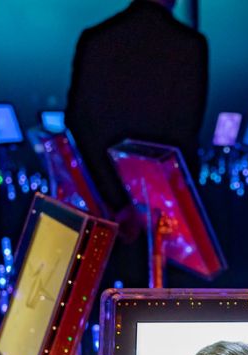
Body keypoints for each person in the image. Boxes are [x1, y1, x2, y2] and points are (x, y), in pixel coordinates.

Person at [65, 0, 209, 216]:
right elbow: (184, 133)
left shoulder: (94, 39)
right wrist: (148, 203)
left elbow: (77, 122)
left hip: (107, 210)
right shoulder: (190, 45)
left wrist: (112, 200)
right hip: (164, 207)